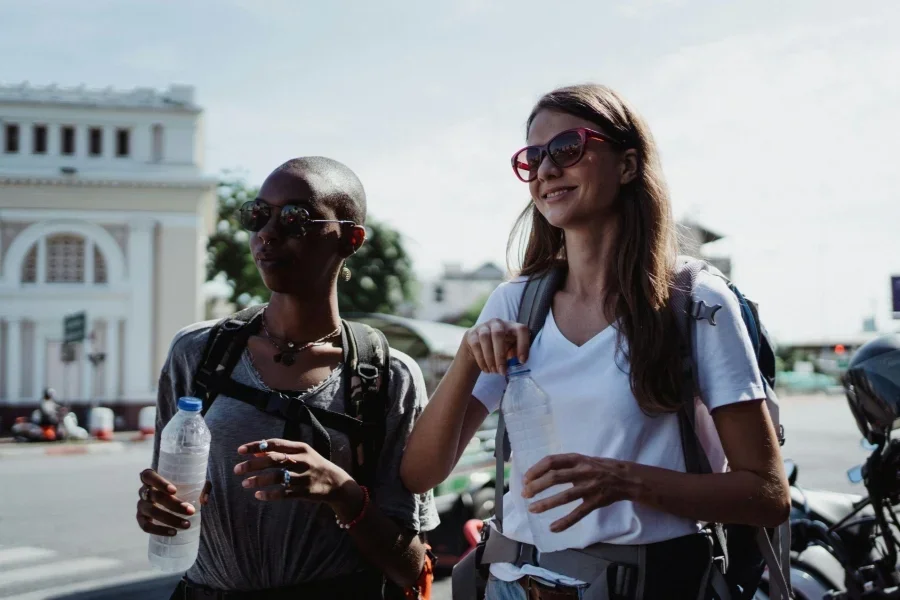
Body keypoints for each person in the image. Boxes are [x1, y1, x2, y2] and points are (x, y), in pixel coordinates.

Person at [400, 84, 790, 599]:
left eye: (567, 149)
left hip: (645, 585)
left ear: (627, 165)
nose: (545, 170)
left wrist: (625, 481)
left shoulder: (694, 301)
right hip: (513, 585)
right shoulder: (515, 303)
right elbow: (419, 472)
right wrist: (470, 356)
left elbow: (765, 494)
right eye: (532, 158)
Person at [135, 157, 439, 600]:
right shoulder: (198, 353)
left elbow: (409, 564)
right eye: (258, 215)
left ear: (350, 239)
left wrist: (341, 491)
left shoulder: (387, 376)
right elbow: (168, 492)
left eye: (295, 218)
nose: (267, 233)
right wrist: (155, 509)